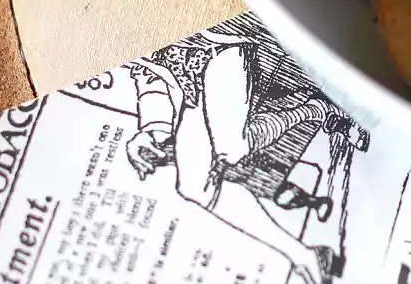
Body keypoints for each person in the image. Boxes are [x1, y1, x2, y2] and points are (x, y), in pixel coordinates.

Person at [123, 15, 367, 284]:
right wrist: (149, 130)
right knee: (192, 186)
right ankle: (307, 256)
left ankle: (318, 108)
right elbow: (147, 77)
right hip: (190, 85)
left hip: (217, 46)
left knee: (232, 146)